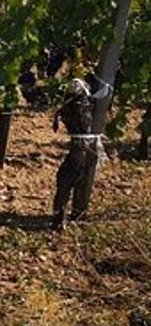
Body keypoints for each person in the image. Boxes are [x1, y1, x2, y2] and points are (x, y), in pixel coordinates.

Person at [52, 78, 101, 229]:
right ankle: (64, 219)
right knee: (70, 181)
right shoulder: (80, 105)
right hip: (82, 149)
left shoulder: (73, 106)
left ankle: (61, 220)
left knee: (65, 181)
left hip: (80, 149)